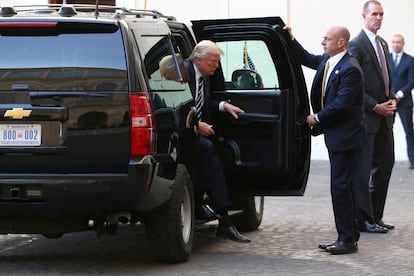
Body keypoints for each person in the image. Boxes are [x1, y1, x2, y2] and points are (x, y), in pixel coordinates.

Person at [159, 41, 250, 243]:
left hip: (194, 133)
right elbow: (175, 105)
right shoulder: (184, 72)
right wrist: (197, 125)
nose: (216, 66)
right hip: (177, 135)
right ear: (198, 60)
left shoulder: (203, 76)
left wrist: (223, 106)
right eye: (213, 61)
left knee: (220, 155)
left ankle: (205, 205)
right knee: (208, 152)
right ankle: (222, 219)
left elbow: (202, 102)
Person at [286, 25, 364, 254]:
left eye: (327, 39)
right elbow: (305, 57)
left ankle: (346, 239)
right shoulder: (328, 61)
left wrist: (316, 118)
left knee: (340, 187)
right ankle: (350, 234)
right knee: (344, 186)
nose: (323, 42)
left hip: (346, 138)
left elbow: (342, 104)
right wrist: (290, 38)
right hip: (338, 136)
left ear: (341, 42)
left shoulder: (350, 68)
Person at [348, 0, 396, 231]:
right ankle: (363, 219)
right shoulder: (356, 45)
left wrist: (393, 97)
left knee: (386, 163)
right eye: (374, 14)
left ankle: (376, 215)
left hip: (385, 117)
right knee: (363, 169)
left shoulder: (383, 43)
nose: (378, 18)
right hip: (367, 118)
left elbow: (387, 78)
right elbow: (354, 85)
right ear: (364, 16)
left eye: (381, 14)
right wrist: (374, 106)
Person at [390, 34, 414, 170]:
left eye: (398, 42)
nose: (396, 44)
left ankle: (412, 160)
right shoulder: (386, 58)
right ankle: (387, 158)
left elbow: (412, 81)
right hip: (388, 102)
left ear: (403, 43)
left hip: (404, 102)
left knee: (409, 132)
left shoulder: (410, 60)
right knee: (386, 132)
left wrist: (399, 95)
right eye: (393, 42)